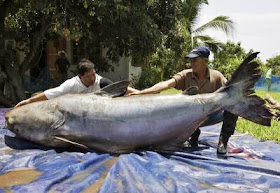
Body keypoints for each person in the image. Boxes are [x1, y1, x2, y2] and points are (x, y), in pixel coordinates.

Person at [131, 46, 238, 154]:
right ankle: (191, 133)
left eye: (195, 60)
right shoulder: (185, 75)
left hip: (210, 115)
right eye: (190, 60)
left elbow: (230, 90)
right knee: (172, 109)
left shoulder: (217, 76)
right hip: (189, 117)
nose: (191, 63)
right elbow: (166, 84)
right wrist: (141, 93)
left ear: (205, 61)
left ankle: (223, 142)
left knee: (233, 106)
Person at [15, 59, 139, 108]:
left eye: (94, 74)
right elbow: (50, 94)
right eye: (89, 76)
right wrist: (28, 101)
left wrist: (142, 93)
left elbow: (122, 89)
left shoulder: (101, 82)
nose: (92, 78)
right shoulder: (70, 85)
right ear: (80, 76)